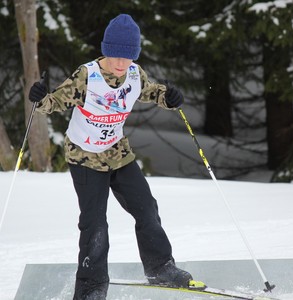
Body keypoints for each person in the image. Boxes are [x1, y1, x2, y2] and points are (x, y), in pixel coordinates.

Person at [29, 14, 193, 300]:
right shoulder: (87, 75)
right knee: (95, 222)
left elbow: (151, 91)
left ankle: (160, 268)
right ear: (106, 50)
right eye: (116, 56)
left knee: (146, 208)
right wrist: (40, 97)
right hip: (84, 155)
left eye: (127, 57)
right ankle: (91, 285)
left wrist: (169, 97)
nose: (121, 64)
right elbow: (53, 102)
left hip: (118, 152)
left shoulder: (133, 74)